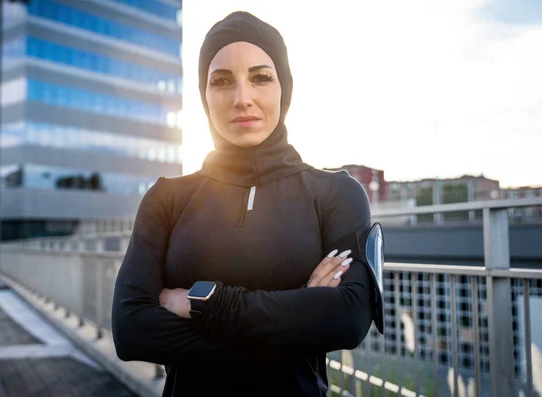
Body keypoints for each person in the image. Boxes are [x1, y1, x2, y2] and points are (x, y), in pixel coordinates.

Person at [111, 10, 384, 397]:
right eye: (222, 81)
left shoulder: (335, 193)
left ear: (283, 87)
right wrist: (298, 316)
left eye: (260, 77)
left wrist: (206, 303)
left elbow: (349, 320)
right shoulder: (167, 198)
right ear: (204, 96)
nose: (243, 98)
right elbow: (131, 330)